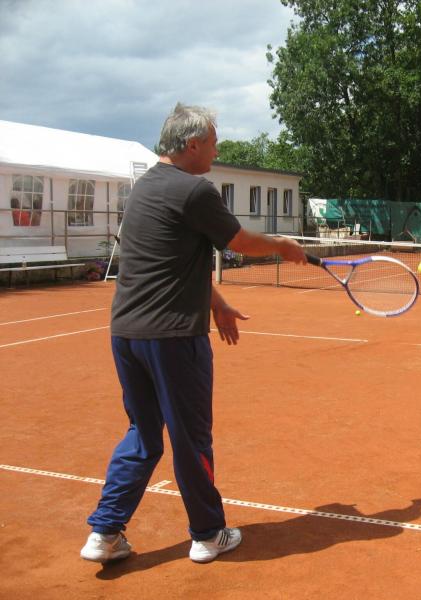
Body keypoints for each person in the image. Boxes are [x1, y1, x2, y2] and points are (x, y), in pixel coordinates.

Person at [80, 103, 306, 565]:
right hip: (174, 339)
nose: (217, 151)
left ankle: (104, 532)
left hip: (126, 334)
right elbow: (241, 242)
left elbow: (169, 260)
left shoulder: (143, 189)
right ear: (193, 144)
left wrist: (216, 303)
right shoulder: (195, 190)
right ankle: (207, 534)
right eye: (214, 143)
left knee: (143, 435)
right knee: (191, 439)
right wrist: (283, 245)